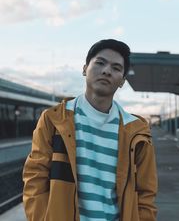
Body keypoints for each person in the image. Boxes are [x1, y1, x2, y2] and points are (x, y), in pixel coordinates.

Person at [23, 39, 157, 221]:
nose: (106, 71)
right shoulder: (54, 120)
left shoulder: (136, 132)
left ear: (122, 81)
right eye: (100, 63)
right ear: (85, 68)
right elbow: (35, 178)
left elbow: (146, 194)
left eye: (116, 68)